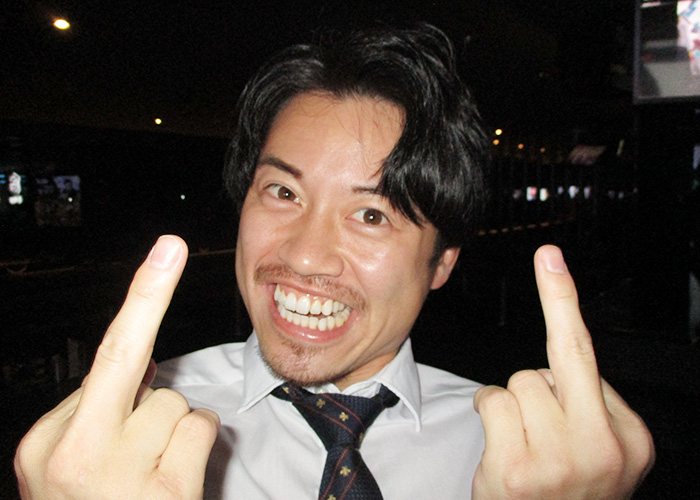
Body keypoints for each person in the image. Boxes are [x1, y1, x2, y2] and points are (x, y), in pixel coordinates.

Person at [14, 24, 654, 499]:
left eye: (371, 214)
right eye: (283, 192)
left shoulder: (533, 461)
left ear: (442, 263)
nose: (303, 255)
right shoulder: (118, 438)